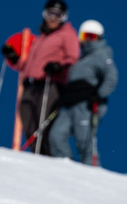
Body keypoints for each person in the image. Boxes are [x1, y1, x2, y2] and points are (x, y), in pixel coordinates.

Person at [1, 0, 79, 156]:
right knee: (28, 123)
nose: (53, 19)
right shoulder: (39, 39)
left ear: (64, 18)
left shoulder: (67, 34)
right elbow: (28, 65)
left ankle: (51, 160)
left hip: (50, 84)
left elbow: (73, 58)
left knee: (43, 124)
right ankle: (40, 157)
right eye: (50, 14)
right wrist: (14, 59)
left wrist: (59, 66)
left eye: (58, 16)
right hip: (30, 85)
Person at [49, 19, 118, 166]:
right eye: (84, 36)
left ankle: (92, 174)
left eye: (91, 37)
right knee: (56, 136)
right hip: (70, 104)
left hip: (87, 106)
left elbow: (111, 77)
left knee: (84, 141)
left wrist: (98, 95)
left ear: (99, 38)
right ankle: (67, 167)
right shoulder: (80, 60)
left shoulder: (101, 55)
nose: (86, 41)